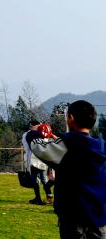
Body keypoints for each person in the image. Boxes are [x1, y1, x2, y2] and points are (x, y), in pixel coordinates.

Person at [31, 100, 106, 239]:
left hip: (73, 217)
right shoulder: (102, 147)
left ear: (70, 118)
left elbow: (38, 148)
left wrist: (35, 133)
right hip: (99, 218)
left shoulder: (67, 145)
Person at [24, 118, 54, 205]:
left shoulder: (30, 134)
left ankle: (39, 198)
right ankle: (49, 196)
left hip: (35, 158)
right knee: (43, 179)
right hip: (43, 159)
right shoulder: (36, 134)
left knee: (35, 180)